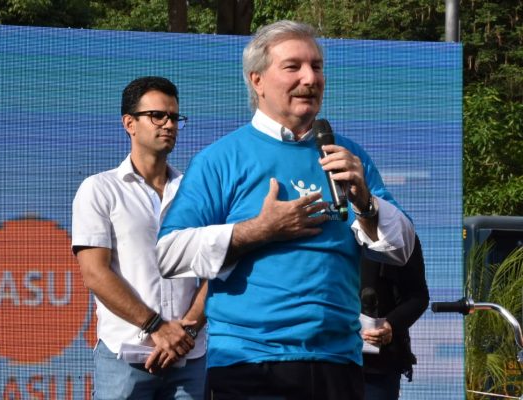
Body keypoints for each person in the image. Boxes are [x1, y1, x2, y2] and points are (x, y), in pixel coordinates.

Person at [155, 20, 415, 400]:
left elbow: (402, 248)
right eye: (293, 67)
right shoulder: (220, 159)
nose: (310, 78)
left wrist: (366, 203)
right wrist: (259, 230)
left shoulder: (347, 156)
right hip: (248, 362)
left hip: (339, 360)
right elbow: (169, 252)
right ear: (257, 80)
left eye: (317, 67)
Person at [72, 76, 207, 400]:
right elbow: (95, 273)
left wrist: (187, 330)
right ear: (129, 123)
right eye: (157, 116)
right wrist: (156, 327)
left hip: (189, 355)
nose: (169, 124)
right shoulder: (99, 189)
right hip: (125, 357)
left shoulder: (196, 191)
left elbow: (215, 268)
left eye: (174, 117)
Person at [360, 235, 429, 400]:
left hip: (377, 366)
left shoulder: (398, 232)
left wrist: (390, 324)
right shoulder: (325, 232)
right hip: (324, 357)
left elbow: (418, 297)